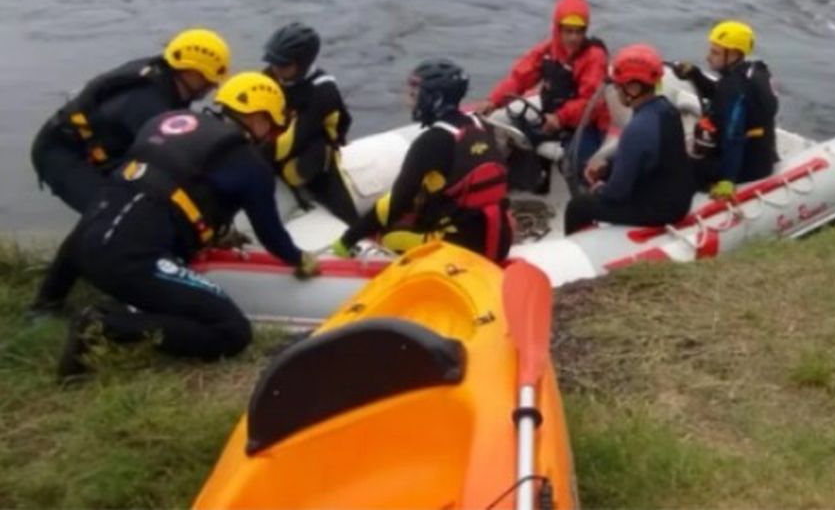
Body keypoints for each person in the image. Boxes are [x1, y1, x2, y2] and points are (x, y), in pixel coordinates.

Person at [30, 72, 321, 380]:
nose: (270, 135)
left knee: (122, 207)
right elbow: (271, 234)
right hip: (131, 261)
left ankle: (46, 304)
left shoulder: (167, 121)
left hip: (85, 243)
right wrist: (299, 258)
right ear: (259, 117)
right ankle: (105, 325)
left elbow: (169, 188)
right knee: (232, 332)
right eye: (272, 127)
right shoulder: (251, 167)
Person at [30, 28, 231, 214]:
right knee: (111, 212)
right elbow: (166, 157)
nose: (212, 85)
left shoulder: (166, 81)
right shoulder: (146, 101)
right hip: (62, 153)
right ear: (189, 71)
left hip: (103, 150)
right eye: (208, 78)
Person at [332, 59, 512, 263]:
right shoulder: (480, 125)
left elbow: (395, 204)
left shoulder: (430, 142)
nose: (410, 101)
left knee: (390, 237)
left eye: (415, 95)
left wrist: (348, 239)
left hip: (461, 248)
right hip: (500, 236)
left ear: (434, 99)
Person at [564, 45, 695, 235]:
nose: (616, 91)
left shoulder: (638, 128)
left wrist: (601, 190)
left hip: (660, 210)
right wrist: (607, 169)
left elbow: (617, 192)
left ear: (633, 88)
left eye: (619, 86)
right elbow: (648, 159)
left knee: (578, 207)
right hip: (675, 197)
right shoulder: (665, 109)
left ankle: (577, 250)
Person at [477, 0, 610, 165]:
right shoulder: (549, 50)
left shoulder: (594, 57)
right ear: (558, 29)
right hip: (551, 112)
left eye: (579, 32)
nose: (573, 38)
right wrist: (493, 100)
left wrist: (560, 117)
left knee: (576, 160)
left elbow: (590, 103)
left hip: (585, 124)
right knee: (496, 122)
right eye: (568, 31)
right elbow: (519, 78)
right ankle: (497, 175)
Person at [262, 22, 357, 223]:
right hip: (278, 139)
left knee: (344, 213)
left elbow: (292, 141)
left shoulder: (322, 91)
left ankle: (352, 230)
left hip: (314, 150)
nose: (276, 68)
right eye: (273, 62)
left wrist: (249, 156)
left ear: (302, 63)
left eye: (283, 64)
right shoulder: (270, 76)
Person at [672, 20, 778, 200]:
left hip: (746, 166)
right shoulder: (748, 73)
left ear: (734, 54)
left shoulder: (735, 87)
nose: (708, 57)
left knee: (672, 163)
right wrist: (695, 75)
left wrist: (727, 180)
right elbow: (720, 96)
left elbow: (733, 137)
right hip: (761, 155)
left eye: (715, 53)